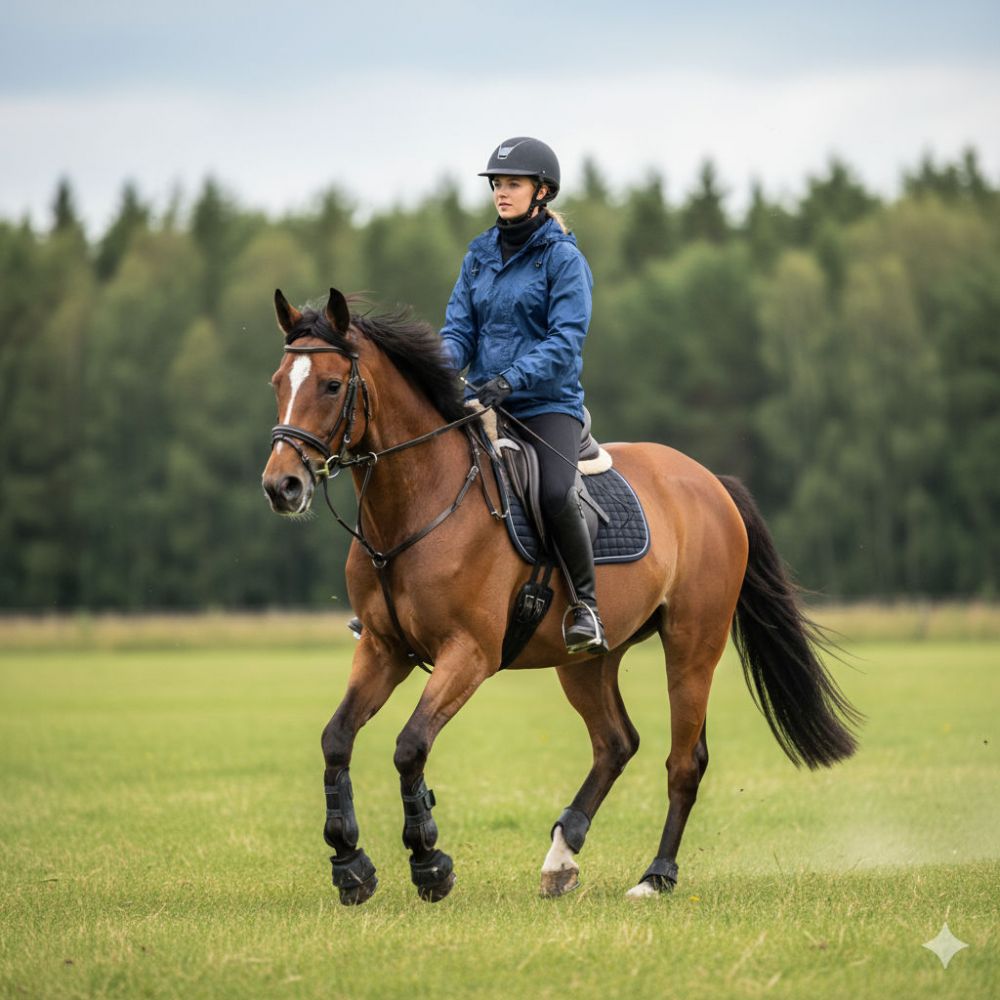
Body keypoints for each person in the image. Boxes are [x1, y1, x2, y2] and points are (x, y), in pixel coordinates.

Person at [440, 136, 608, 655]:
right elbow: (458, 331)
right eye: (496, 184)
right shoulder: (479, 254)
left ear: (542, 191)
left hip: (545, 405)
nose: (501, 193)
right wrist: (435, 370)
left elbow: (565, 340)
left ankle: (586, 607)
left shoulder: (563, 260)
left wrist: (510, 380)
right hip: (485, 403)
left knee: (556, 493)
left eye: (512, 183)